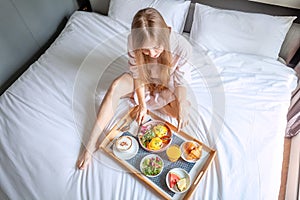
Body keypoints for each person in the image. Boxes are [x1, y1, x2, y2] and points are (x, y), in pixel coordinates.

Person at [77, 8, 192, 170]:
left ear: (165, 34)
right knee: (116, 86)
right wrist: (143, 105)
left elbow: (180, 83)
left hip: (167, 84)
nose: (152, 54)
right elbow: (137, 75)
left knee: (181, 111)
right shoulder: (133, 39)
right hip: (143, 81)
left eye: (157, 48)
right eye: (145, 50)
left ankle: (164, 103)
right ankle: (90, 144)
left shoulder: (182, 47)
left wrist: (181, 104)